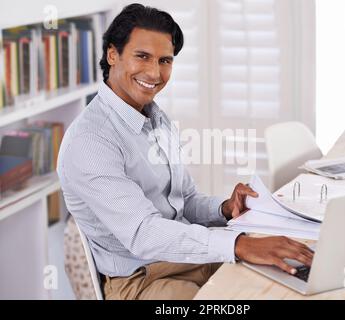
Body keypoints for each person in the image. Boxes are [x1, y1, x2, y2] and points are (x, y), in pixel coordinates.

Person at [57, 3, 313, 300]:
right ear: (112, 54)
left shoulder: (155, 118)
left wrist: (224, 209)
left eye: (165, 60)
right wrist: (237, 245)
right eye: (142, 56)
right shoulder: (91, 141)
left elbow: (184, 201)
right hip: (141, 279)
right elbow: (143, 234)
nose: (154, 72)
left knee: (288, 278)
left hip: (187, 258)